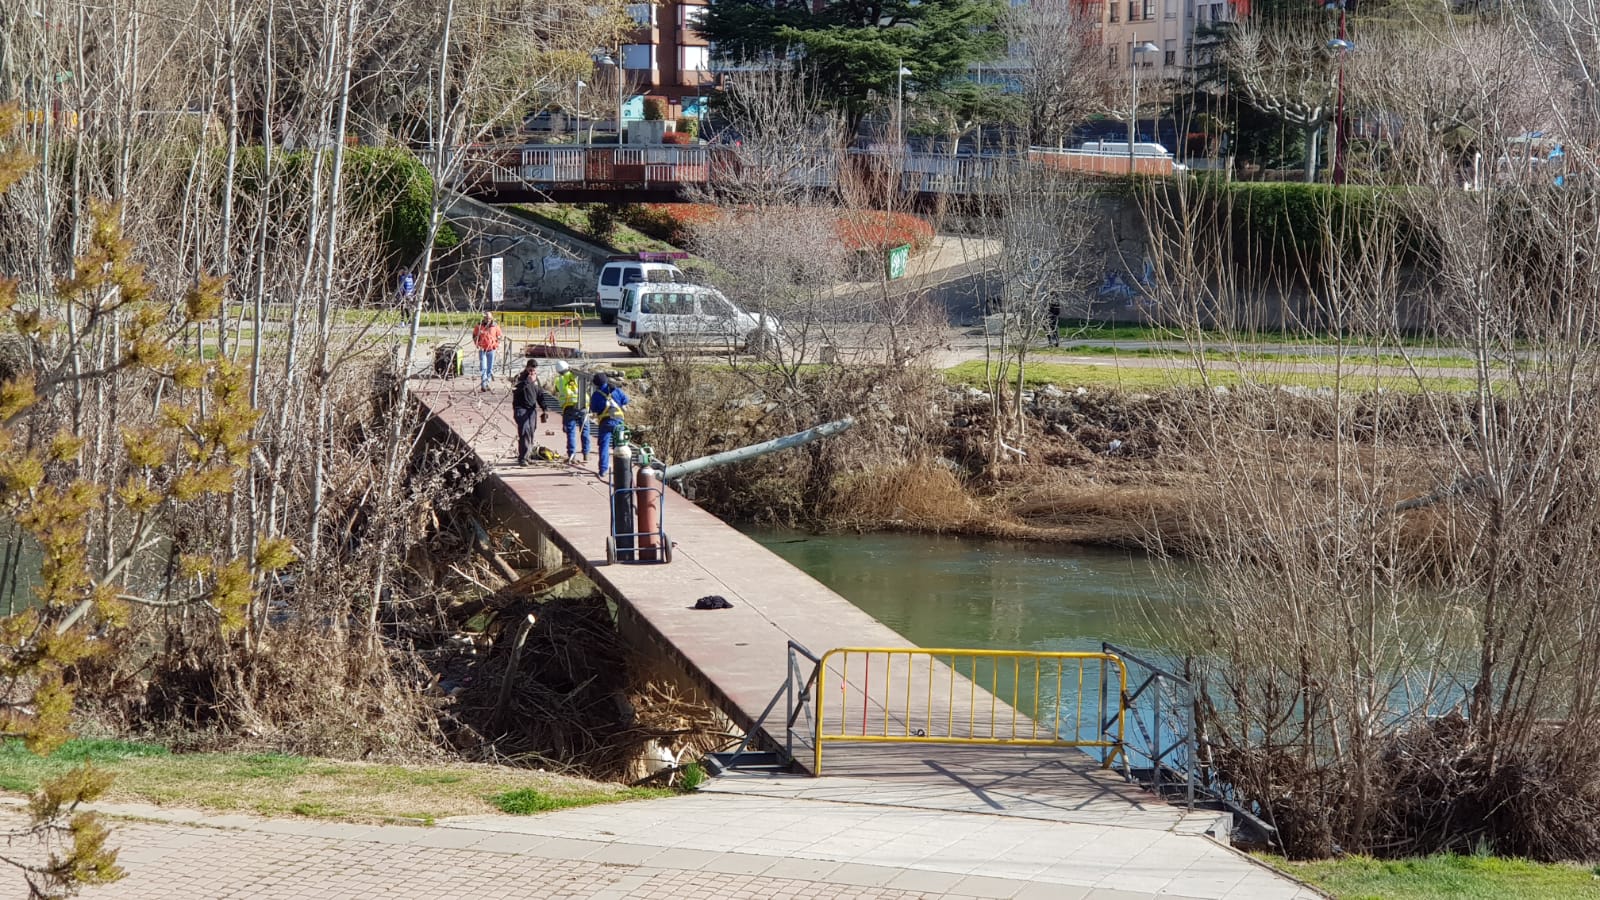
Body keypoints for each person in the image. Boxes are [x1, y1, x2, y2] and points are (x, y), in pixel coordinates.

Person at [511, 359, 552, 466]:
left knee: (531, 432)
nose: (532, 372)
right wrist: (528, 381)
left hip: (531, 410)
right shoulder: (519, 377)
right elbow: (515, 390)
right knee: (525, 431)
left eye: (534, 370)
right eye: (530, 370)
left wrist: (544, 408)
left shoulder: (536, 380)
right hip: (520, 408)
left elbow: (540, 395)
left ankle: (527, 455)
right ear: (527, 367)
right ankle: (522, 458)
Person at [588, 372, 629, 479]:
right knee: (619, 446)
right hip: (619, 422)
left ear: (596, 384)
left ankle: (603, 470)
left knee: (604, 446)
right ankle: (619, 470)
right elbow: (626, 400)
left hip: (605, 423)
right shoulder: (616, 390)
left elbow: (593, 409)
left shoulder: (596, 395)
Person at [553, 360, 590, 465]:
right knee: (585, 431)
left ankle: (572, 455)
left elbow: (557, 389)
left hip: (570, 407)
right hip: (583, 406)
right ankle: (586, 454)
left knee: (571, 433)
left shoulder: (559, 379)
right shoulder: (576, 375)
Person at [472, 313, 503, 392]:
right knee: (483, 368)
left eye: (489, 318)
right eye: (486, 318)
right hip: (482, 350)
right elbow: (474, 336)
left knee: (489, 368)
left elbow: (499, 336)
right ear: (484, 318)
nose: (488, 320)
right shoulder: (479, 326)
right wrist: (477, 344)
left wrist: (497, 344)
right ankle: (483, 385)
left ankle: (487, 383)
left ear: (491, 318)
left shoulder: (495, 326)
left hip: (491, 350)